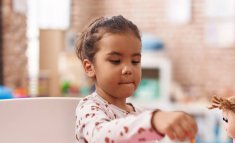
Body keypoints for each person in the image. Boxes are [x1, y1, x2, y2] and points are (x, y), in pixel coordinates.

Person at [75, 15, 198, 143]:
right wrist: (153, 121)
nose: (128, 69)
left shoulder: (139, 113)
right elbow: (102, 136)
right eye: (115, 61)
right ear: (89, 68)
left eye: (135, 61)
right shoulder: (89, 108)